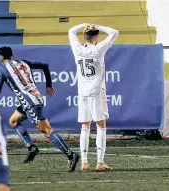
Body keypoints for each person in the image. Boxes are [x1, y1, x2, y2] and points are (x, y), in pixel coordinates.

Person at [0, 46, 79, 172]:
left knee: (47, 131)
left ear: (1, 59)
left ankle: (71, 155)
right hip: (33, 99)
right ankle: (31, 148)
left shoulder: (2, 69)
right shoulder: (23, 62)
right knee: (13, 121)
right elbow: (44, 66)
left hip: (30, 103)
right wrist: (49, 85)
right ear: (12, 56)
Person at [68, 23, 119, 171]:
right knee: (101, 125)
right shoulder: (98, 49)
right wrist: (98, 26)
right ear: (96, 37)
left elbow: (71, 30)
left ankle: (84, 162)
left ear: (84, 36)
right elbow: (114, 31)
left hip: (82, 92)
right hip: (97, 92)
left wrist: (84, 25)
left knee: (85, 126)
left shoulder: (77, 49)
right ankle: (100, 161)